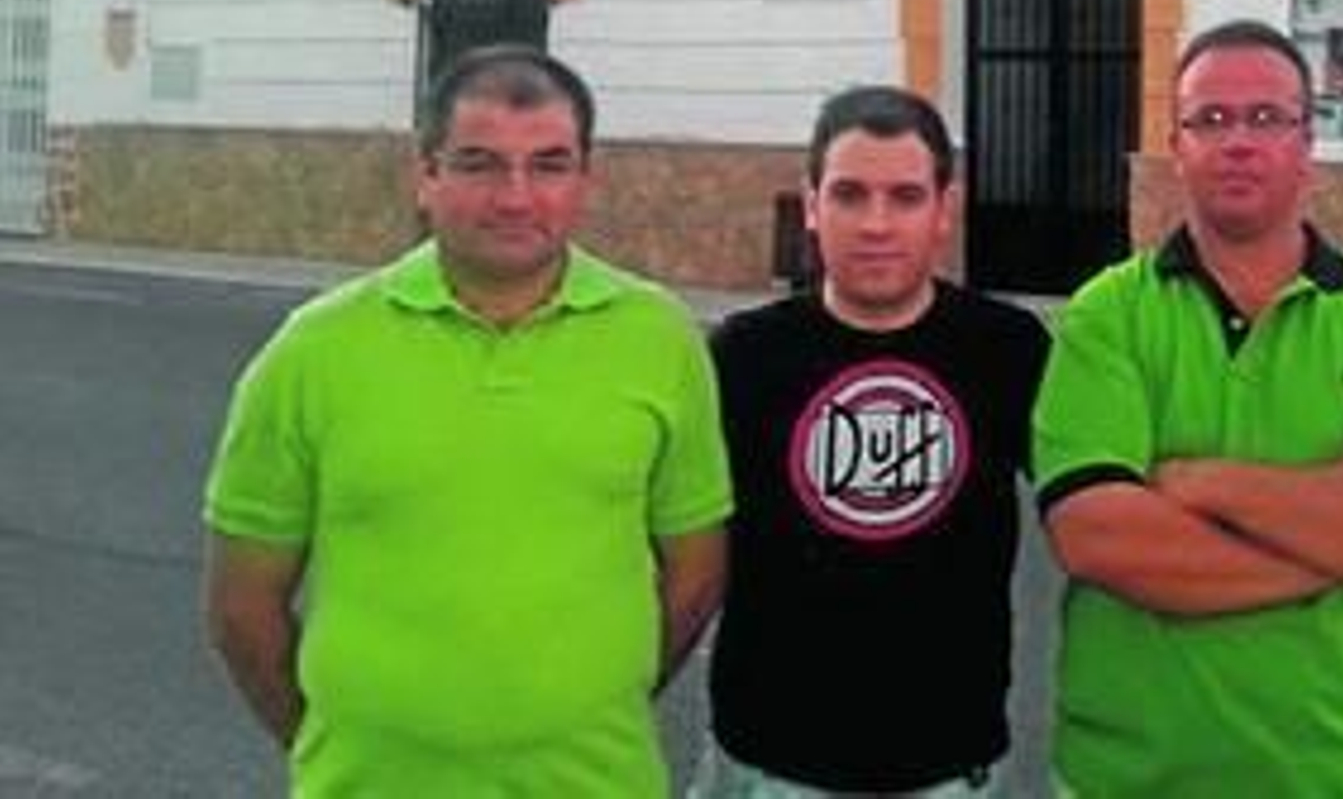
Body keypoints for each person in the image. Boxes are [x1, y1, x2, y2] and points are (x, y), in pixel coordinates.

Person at [202, 44, 731, 797]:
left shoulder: (660, 339)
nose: (515, 197)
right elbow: (239, 606)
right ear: (427, 174)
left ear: (586, 177)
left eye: (549, 164)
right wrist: (343, 735)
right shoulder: (312, 350)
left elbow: (698, 569)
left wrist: (590, 700)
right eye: (480, 163)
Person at [1034, 18, 1343, 796]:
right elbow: (1101, 538)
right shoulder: (1106, 314)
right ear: (1177, 146)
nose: (1238, 140)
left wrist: (1206, 483)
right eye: (1210, 119)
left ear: (1308, 144)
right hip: (1133, 777)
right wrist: (1342, 536)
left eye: (1266, 117)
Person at [700, 85, 1050, 797]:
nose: (876, 223)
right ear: (812, 206)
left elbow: (1094, 510)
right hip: (764, 765)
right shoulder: (743, 355)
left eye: (906, 196)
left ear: (944, 209)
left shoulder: (1008, 349)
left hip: (944, 769)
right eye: (851, 194)